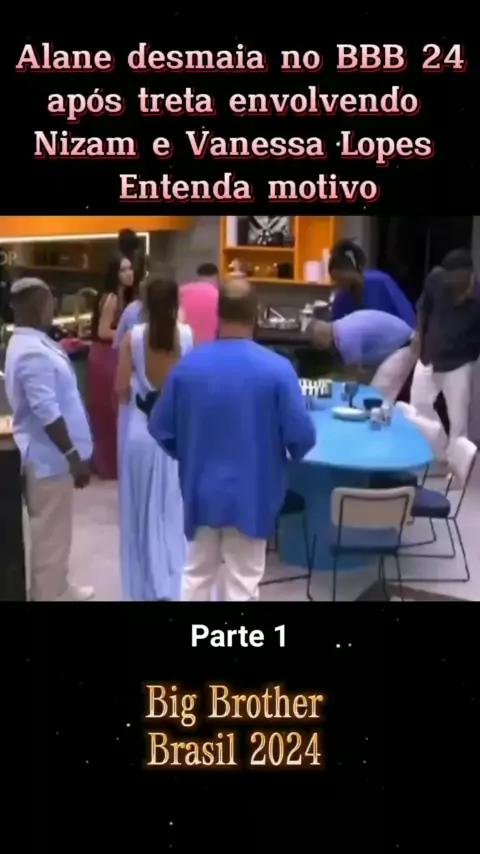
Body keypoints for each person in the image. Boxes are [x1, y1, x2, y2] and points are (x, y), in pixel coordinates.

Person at [148, 277, 316, 602]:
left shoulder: (187, 368)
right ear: (255, 314)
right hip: (253, 495)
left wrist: (190, 453)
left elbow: (161, 428)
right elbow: (302, 438)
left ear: (219, 313)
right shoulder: (278, 370)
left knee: (195, 575)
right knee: (243, 580)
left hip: (200, 490)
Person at [4, 277, 94, 602]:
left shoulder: (31, 342)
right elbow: (47, 411)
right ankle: (49, 595)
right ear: (35, 305)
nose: (52, 309)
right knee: (50, 534)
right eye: (49, 302)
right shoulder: (32, 352)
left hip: (50, 456)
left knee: (56, 531)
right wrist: (72, 455)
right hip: (50, 457)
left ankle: (58, 586)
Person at [116, 273, 193, 601]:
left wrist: (139, 390)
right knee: (172, 511)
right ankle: (172, 585)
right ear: (176, 302)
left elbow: (121, 389)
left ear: (144, 304)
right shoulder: (187, 336)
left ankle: (144, 587)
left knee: (138, 514)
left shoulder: (132, 338)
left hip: (140, 433)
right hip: (175, 436)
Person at [410, 249, 480, 458]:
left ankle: (459, 463)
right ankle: (437, 451)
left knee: (458, 419)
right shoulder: (436, 279)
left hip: (459, 362)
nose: (448, 282)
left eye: (453, 277)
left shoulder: (478, 297)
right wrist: (419, 336)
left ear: (467, 274)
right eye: (447, 276)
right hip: (429, 355)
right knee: (418, 407)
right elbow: (423, 308)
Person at [87, 250, 142, 479]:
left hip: (112, 354)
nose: (129, 274)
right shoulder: (111, 299)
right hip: (105, 356)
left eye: (130, 269)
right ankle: (108, 464)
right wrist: (129, 333)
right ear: (114, 273)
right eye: (123, 270)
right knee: (109, 410)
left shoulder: (125, 298)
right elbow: (102, 331)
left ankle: (114, 462)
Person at [309, 310, 416, 402]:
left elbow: (355, 377)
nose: (318, 348)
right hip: (402, 336)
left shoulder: (345, 340)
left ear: (322, 338)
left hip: (406, 345)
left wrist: (328, 382)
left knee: (376, 396)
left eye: (318, 344)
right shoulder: (341, 325)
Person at [329, 239, 416, 327]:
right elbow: (335, 327)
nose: (341, 284)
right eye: (337, 280)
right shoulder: (342, 299)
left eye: (344, 279)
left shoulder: (380, 282)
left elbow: (407, 315)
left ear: (356, 270)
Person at [179, 262, 219, 344]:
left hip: (184, 344)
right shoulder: (219, 296)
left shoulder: (181, 291)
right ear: (216, 276)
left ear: (198, 275)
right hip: (210, 345)